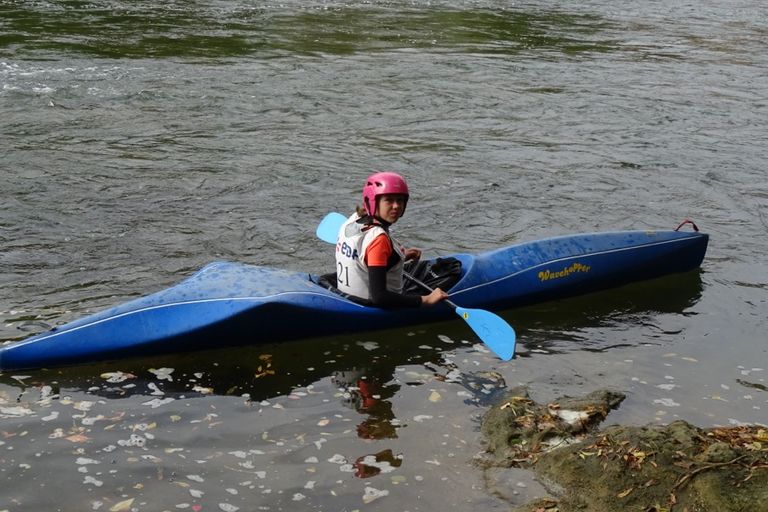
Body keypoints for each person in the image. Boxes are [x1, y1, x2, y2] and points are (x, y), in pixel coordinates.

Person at [335, 172, 449, 308]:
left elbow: (362, 258)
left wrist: (400, 257)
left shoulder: (352, 221)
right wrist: (426, 300)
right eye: (389, 200)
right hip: (373, 306)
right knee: (451, 270)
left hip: (348, 297)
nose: (396, 206)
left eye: (400, 200)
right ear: (373, 201)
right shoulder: (379, 240)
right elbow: (380, 298)